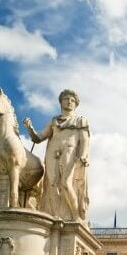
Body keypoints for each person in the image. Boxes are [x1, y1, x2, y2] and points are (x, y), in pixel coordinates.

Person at [23, 89, 90, 222]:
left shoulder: (80, 120)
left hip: (70, 152)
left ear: (76, 104)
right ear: (61, 102)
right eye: (66, 99)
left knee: (66, 183)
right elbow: (38, 138)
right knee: (52, 185)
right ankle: (54, 216)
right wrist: (30, 128)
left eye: (72, 100)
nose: (69, 102)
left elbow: (84, 141)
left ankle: (75, 216)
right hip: (52, 152)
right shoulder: (54, 121)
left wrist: (83, 156)